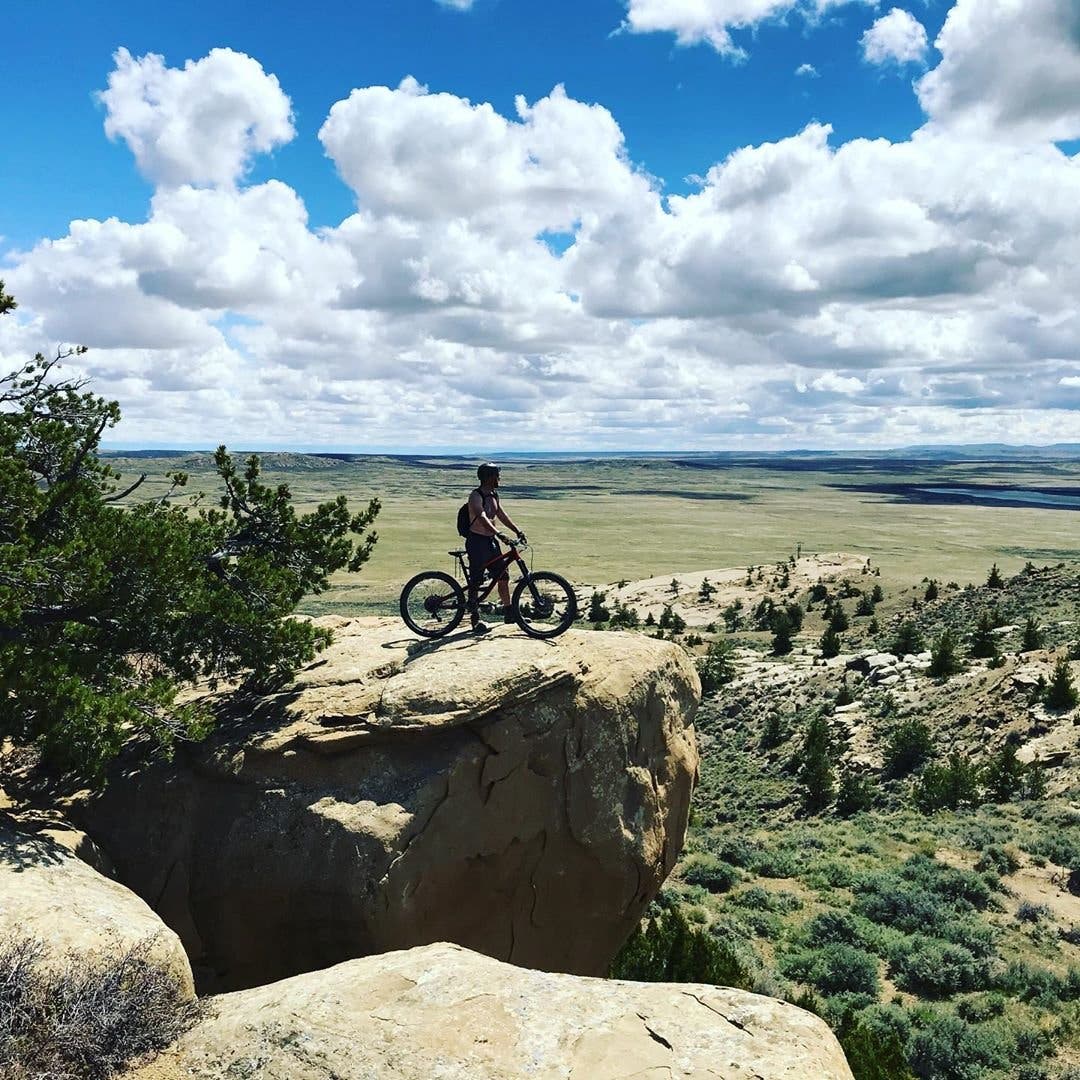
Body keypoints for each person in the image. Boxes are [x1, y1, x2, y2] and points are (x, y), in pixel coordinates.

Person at [466, 462, 525, 633]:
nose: (499, 478)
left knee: (502, 575)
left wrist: (517, 530)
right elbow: (482, 516)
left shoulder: (494, 495)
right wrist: (499, 533)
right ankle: (475, 620)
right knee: (476, 580)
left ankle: (509, 613)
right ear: (490, 477)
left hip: (490, 541)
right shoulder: (476, 496)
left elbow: (501, 514)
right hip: (477, 541)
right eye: (497, 475)